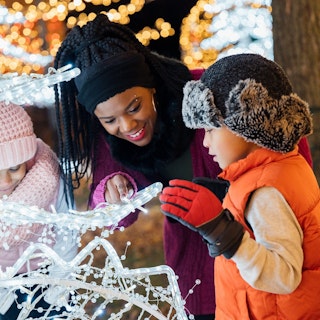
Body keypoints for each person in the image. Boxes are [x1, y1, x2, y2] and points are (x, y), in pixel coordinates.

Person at [53, 15, 313, 319]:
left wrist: (288, 193)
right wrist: (110, 191)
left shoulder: (206, 94)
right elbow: (115, 218)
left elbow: (282, 141)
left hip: (260, 258)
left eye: (134, 107)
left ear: (150, 85)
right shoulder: (110, 139)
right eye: (109, 120)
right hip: (197, 272)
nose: (126, 125)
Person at [159, 53, 320, 319]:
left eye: (211, 129)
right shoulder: (282, 167)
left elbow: (284, 276)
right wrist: (228, 200)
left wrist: (221, 231)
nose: (205, 143)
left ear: (244, 121)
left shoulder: (265, 193)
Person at [0, 101, 77, 319]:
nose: (5, 181)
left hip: (49, 272)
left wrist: (59, 284)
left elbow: (67, 227)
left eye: (14, 168)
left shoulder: (48, 175)